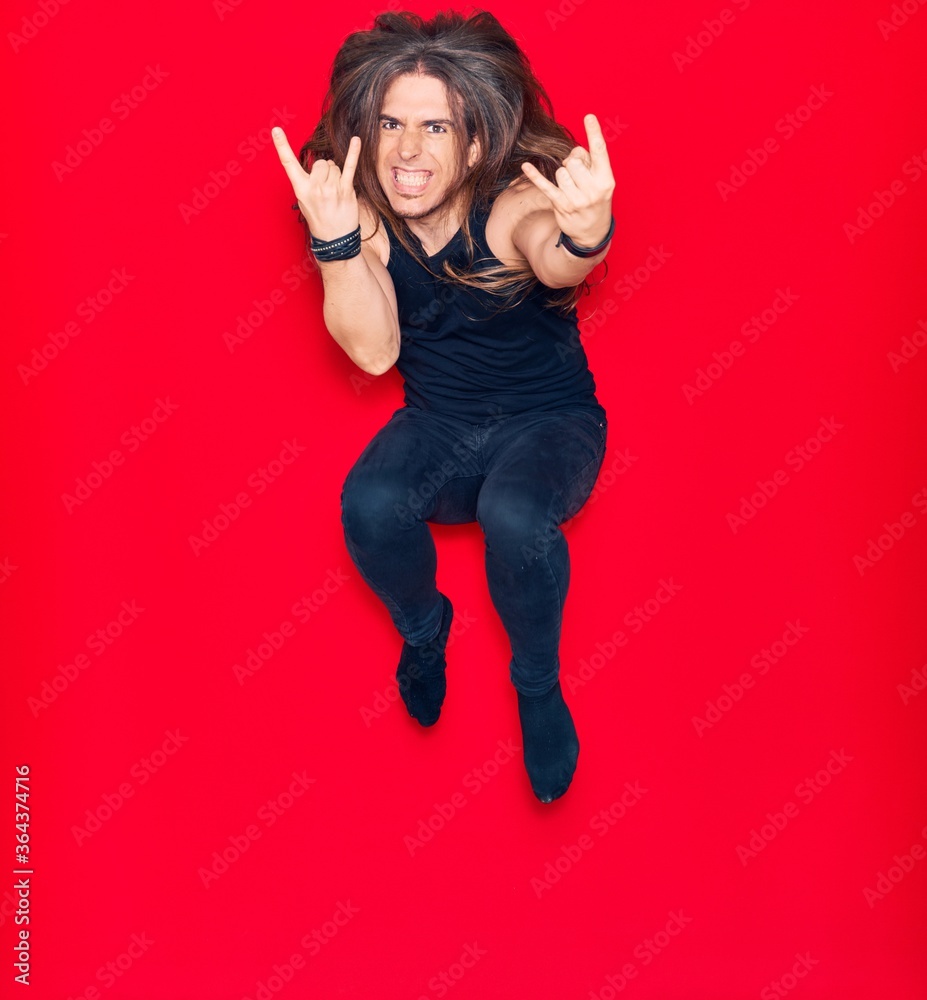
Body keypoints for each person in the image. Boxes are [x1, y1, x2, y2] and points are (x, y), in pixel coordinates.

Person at [272, 9, 615, 802]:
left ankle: (535, 687)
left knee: (515, 513)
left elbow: (555, 258)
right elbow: (375, 354)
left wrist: (586, 233)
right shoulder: (359, 212)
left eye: (434, 127)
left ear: (474, 144)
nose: (406, 151)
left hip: (549, 425)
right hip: (442, 426)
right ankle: (426, 633)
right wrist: (334, 244)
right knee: (369, 504)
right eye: (391, 123)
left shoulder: (507, 206)